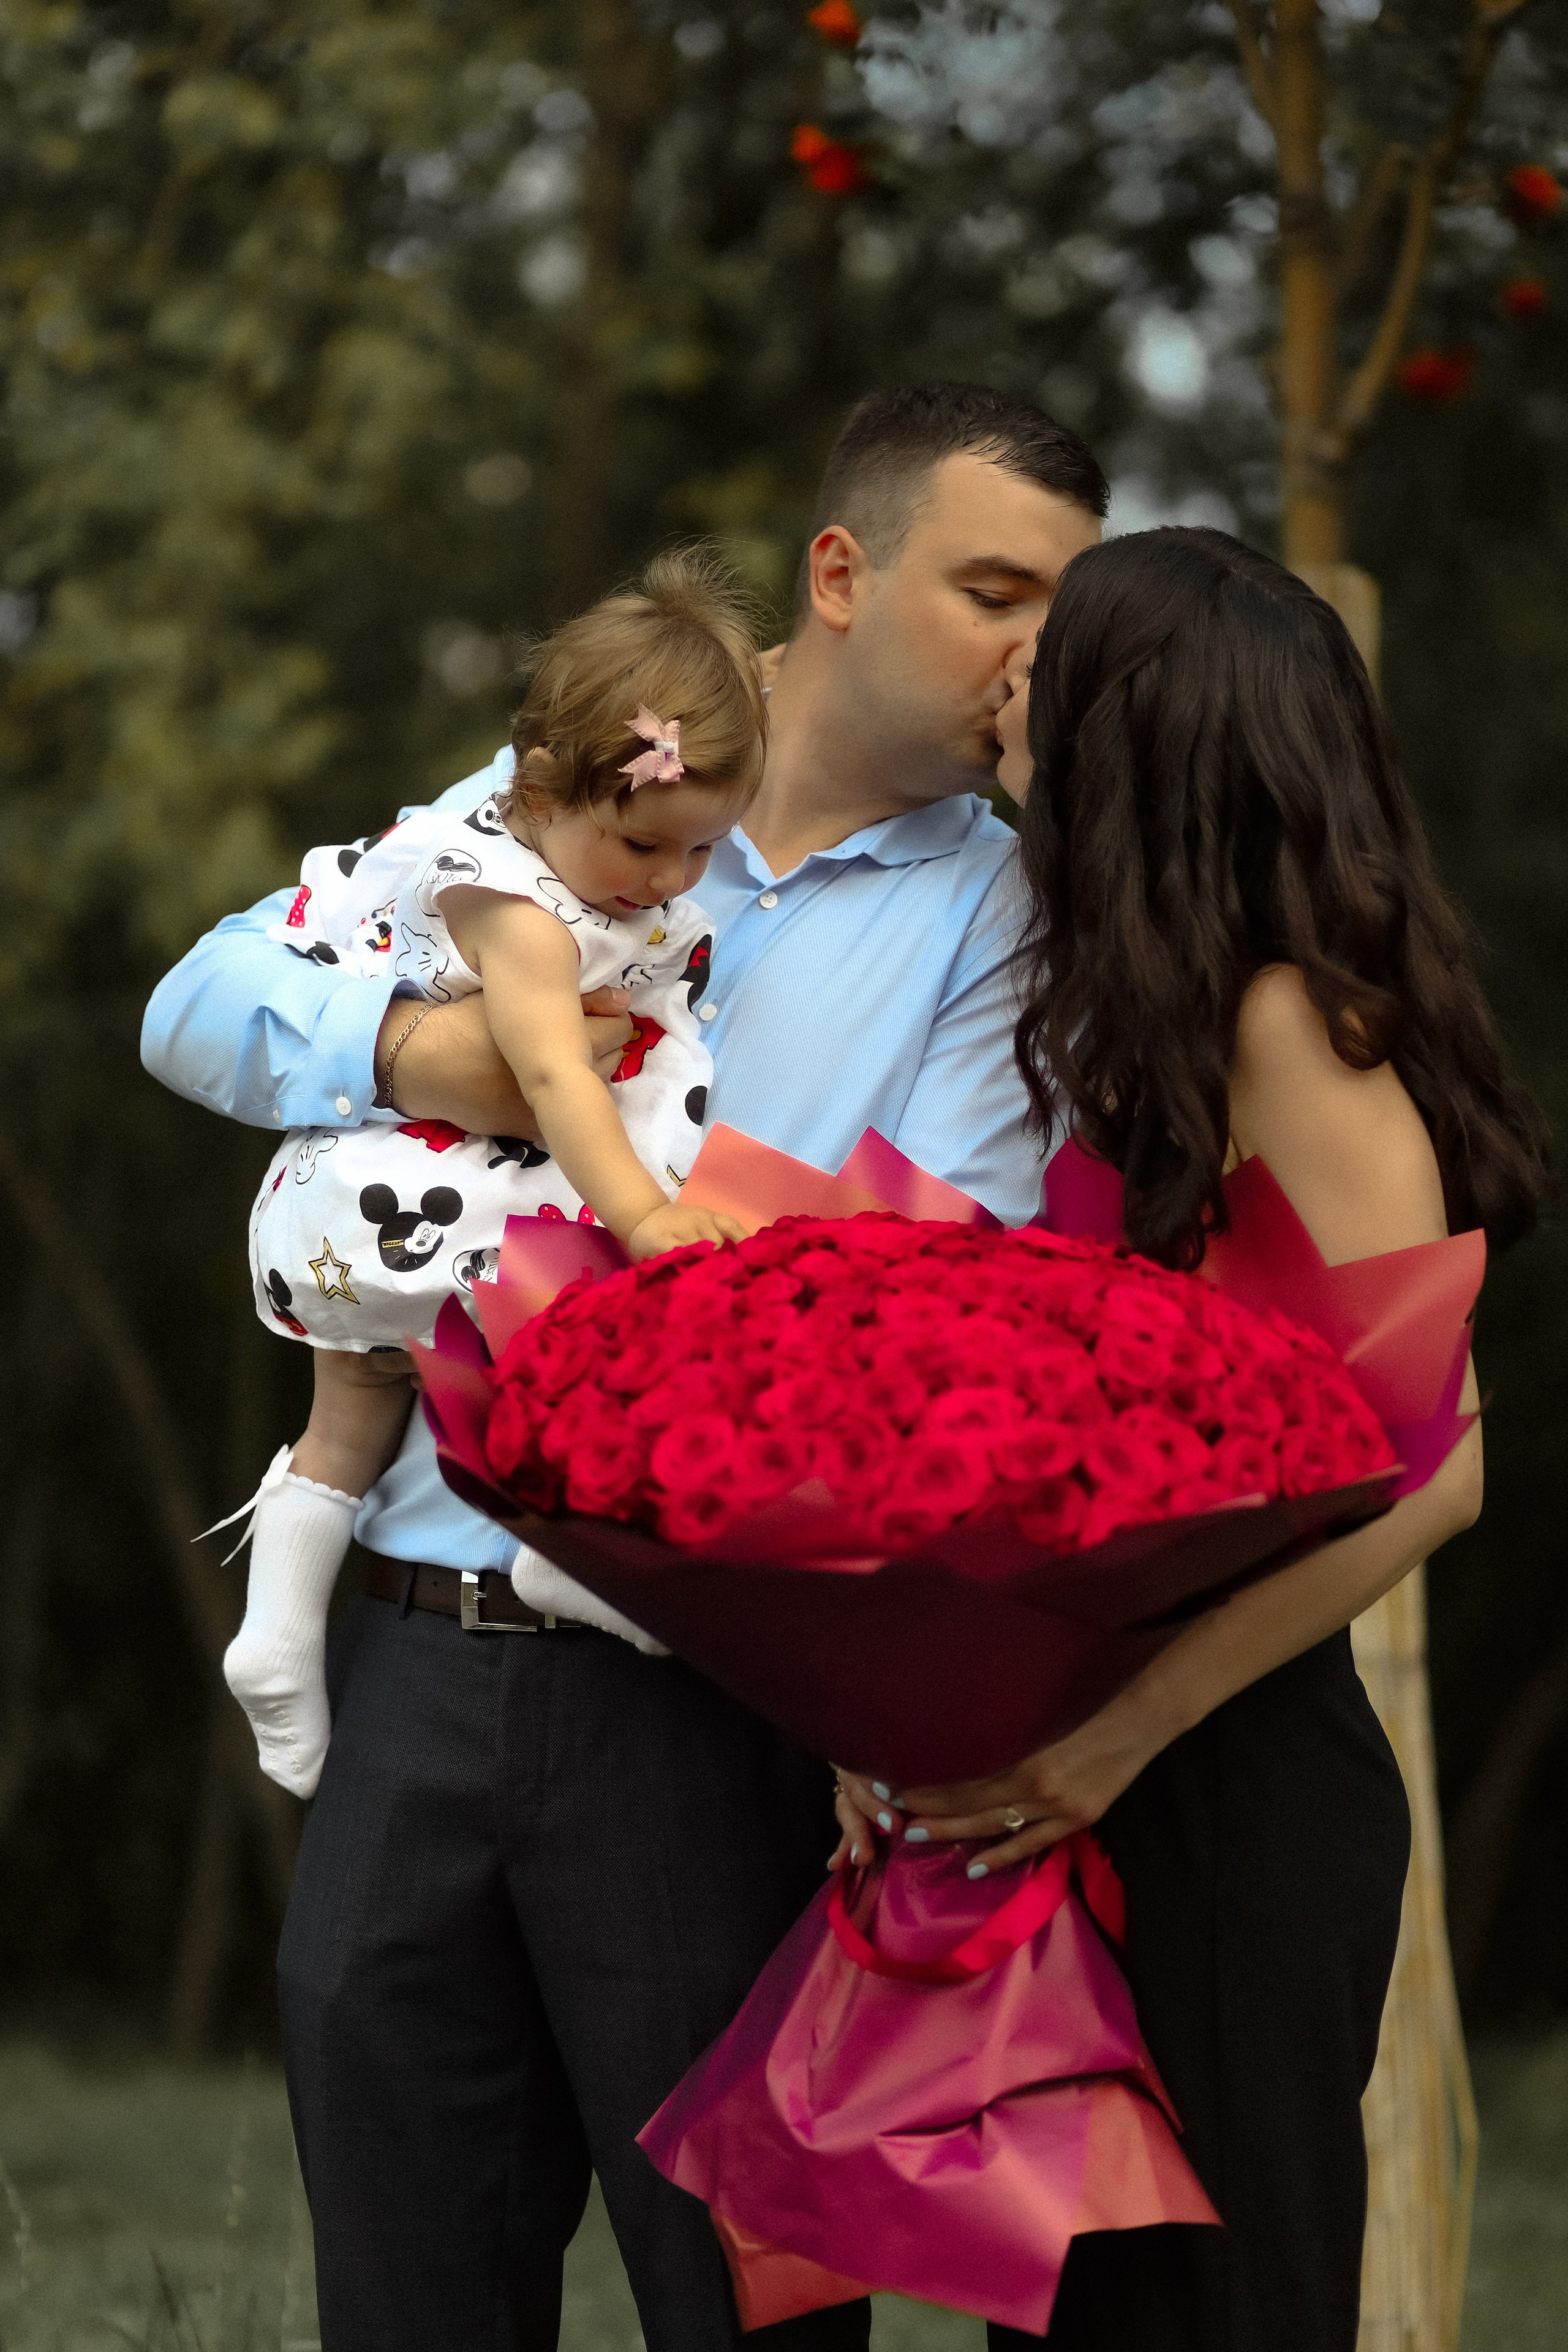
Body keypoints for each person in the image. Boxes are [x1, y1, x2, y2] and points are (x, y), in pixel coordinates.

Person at [139, 381, 1106, 2352]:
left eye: (1061, 614)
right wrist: (433, 1056)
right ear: (841, 573)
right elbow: (200, 1001)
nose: (1033, 652)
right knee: (406, 2295)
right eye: (995, 588)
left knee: (743, 2312)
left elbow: (919, 1291)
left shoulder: (1001, 919)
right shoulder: (589, 776)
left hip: (712, 1694)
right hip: (408, 1659)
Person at [834, 527, 1548, 2351]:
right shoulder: (1129, 1023)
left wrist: (1117, 1740)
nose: (1010, 680)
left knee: (1225, 2312)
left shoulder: (1297, 1029)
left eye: (1049, 655)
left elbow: (1440, 1467)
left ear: (1140, 727)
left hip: (1228, 1784)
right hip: (1092, 1778)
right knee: (1080, 2320)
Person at [224, 551, 758, 1801]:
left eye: (702, 854)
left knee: (352, 1404)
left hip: (354, 1198)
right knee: (586, 1348)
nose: (673, 882)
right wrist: (644, 1212)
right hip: (446, 1196)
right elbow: (556, 1078)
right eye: (648, 844)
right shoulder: (514, 908)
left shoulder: (546, 850)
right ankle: (565, 1556)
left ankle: (276, 1628)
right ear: (537, 786)